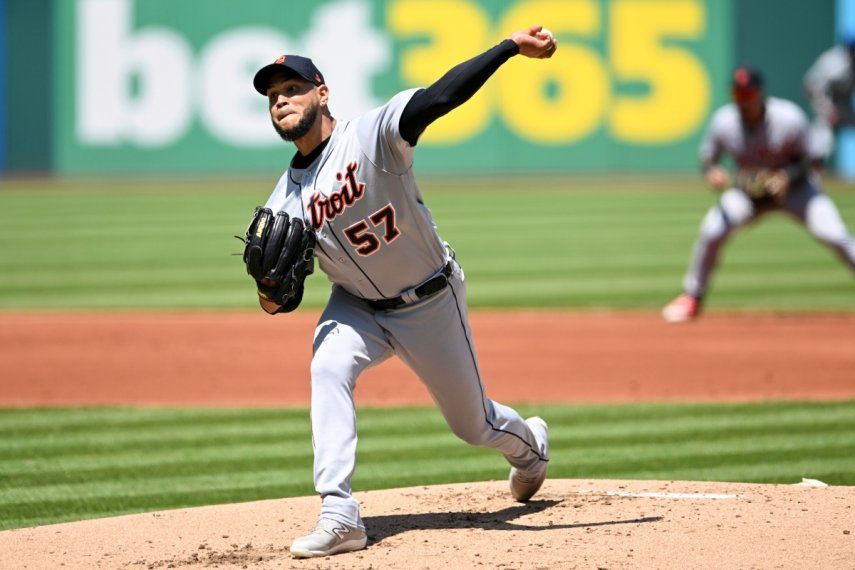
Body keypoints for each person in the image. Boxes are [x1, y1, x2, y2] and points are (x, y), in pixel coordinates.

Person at [248, 26, 557, 558]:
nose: (281, 101)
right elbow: (275, 303)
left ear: (322, 92)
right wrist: (268, 286)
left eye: (292, 88)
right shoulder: (284, 197)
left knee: (474, 425)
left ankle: (531, 451)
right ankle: (340, 513)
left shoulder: (372, 136)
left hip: (429, 298)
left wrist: (508, 47)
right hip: (356, 307)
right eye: (273, 97)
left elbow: (440, 96)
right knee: (327, 366)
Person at [662, 66, 855, 323]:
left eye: (748, 93)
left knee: (835, 235)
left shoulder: (788, 117)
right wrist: (713, 172)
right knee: (712, 230)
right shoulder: (724, 121)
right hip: (749, 193)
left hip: (798, 192)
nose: (742, 100)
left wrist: (787, 177)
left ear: (759, 93)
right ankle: (692, 297)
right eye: (737, 93)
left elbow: (814, 159)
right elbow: (708, 159)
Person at [804, 37, 855, 166]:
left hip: (843, 104)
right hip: (824, 100)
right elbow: (812, 87)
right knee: (823, 136)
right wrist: (827, 109)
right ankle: (814, 167)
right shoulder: (835, 64)